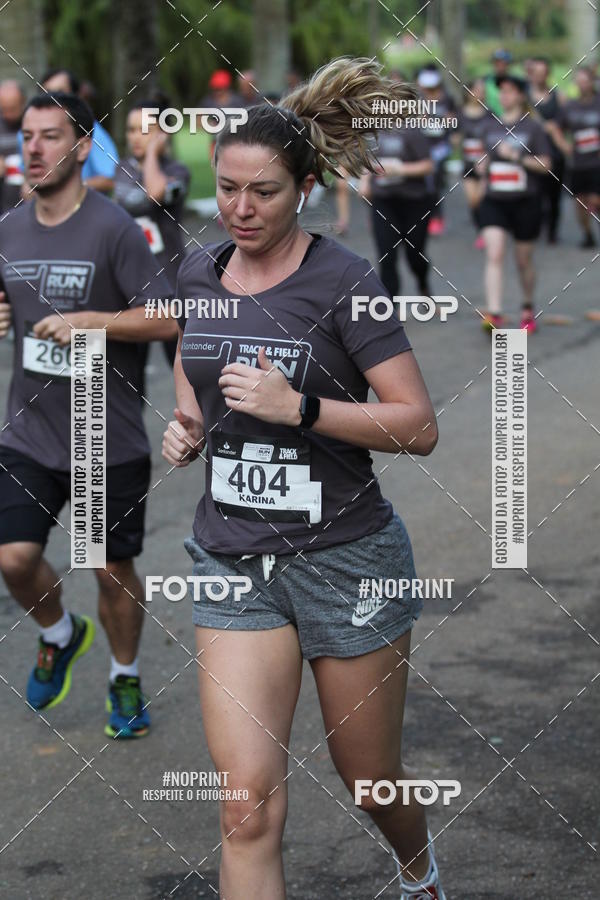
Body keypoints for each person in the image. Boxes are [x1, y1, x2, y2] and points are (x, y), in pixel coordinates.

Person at [162, 57, 447, 900]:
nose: (242, 210)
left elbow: (419, 425)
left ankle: (418, 868)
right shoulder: (199, 271)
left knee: (370, 782)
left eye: (265, 193)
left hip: (347, 560)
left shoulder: (345, 282)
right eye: (228, 190)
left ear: (308, 187)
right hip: (233, 561)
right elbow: (194, 360)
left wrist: (303, 411)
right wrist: (189, 424)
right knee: (245, 806)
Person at [0, 92, 176, 737]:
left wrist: (90, 323)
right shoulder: (8, 229)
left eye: (51, 136)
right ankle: (58, 631)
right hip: (31, 431)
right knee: (14, 558)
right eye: (26, 137)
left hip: (103, 431)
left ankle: (123, 679)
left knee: (107, 566)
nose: (35, 149)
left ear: (80, 148)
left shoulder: (113, 228)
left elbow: (165, 317)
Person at [113, 99, 190, 387]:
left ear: (163, 133)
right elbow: (140, 201)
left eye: (144, 130)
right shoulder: (121, 170)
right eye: (131, 130)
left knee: (186, 373)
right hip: (134, 288)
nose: (135, 136)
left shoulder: (179, 171)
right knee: (131, 379)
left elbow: (156, 192)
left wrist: (153, 155)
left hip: (172, 286)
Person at [476, 75, 552, 332]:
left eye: (509, 91)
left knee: (523, 261)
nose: (504, 96)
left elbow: (546, 165)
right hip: (495, 200)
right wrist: (482, 167)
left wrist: (517, 156)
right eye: (501, 92)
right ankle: (494, 314)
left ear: (520, 95)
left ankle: (527, 307)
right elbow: (483, 161)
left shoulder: (533, 128)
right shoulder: (489, 126)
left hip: (525, 201)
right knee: (494, 252)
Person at [359, 121, 434, 296]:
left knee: (414, 255)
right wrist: (364, 182)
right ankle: (390, 305)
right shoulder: (373, 131)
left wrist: (400, 170)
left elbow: (428, 165)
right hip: (384, 201)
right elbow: (368, 161)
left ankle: (423, 286)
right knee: (386, 254)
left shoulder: (412, 131)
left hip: (415, 201)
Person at [40, 69, 119, 194]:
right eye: (47, 93)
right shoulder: (28, 133)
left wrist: (66, 188)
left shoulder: (91, 131)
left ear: (75, 96)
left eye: (60, 93)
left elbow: (110, 180)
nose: (53, 99)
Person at [548, 66, 600, 248]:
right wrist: (564, 145)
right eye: (580, 81)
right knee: (580, 203)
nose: (583, 84)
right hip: (578, 164)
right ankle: (587, 235)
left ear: (593, 82)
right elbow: (555, 128)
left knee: (595, 199)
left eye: (586, 81)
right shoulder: (570, 106)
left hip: (597, 163)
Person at [527, 57, 565, 243]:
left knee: (554, 198)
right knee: (534, 195)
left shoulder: (559, 96)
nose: (539, 77)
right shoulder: (524, 98)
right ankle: (534, 227)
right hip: (532, 155)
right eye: (536, 73)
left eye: (543, 73)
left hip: (555, 155)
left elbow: (566, 123)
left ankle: (552, 231)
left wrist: (555, 129)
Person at [416, 64, 456, 236]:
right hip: (423, 147)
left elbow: (452, 123)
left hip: (440, 148)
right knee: (423, 183)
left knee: (435, 183)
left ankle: (437, 217)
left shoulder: (447, 99)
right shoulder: (418, 100)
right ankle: (425, 216)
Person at [454, 78, 494, 248]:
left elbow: (497, 136)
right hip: (468, 164)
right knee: (473, 200)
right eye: (477, 89)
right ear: (468, 92)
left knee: (483, 198)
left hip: (486, 164)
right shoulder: (460, 114)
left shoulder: (490, 113)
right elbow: (453, 136)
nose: (481, 93)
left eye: (483, 90)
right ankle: (481, 229)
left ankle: (486, 232)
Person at [0, 79, 26, 214]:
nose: (7, 115)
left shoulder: (33, 122)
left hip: (31, 203)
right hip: (5, 209)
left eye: (12, 109)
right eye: (4, 109)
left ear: (23, 102)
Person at [484, 49, 513, 117]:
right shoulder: (485, 81)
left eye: (503, 63)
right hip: (490, 121)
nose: (500, 66)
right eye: (497, 63)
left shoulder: (515, 82)